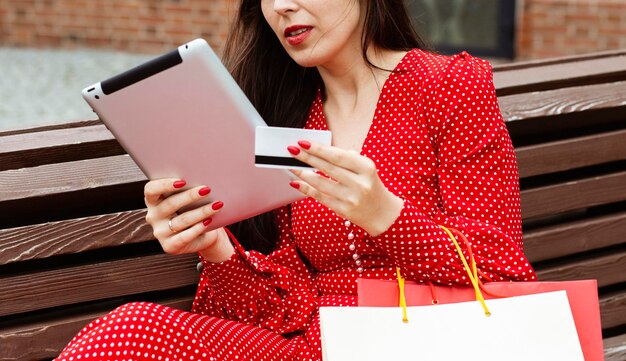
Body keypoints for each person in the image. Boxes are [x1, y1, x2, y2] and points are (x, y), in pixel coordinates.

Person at [56, 0, 536, 360]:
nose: (282, 6)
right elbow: (285, 312)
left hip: (432, 341)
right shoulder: (284, 121)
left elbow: (501, 266)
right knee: (130, 330)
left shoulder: (449, 86)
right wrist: (212, 242)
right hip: (317, 345)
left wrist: (385, 216)